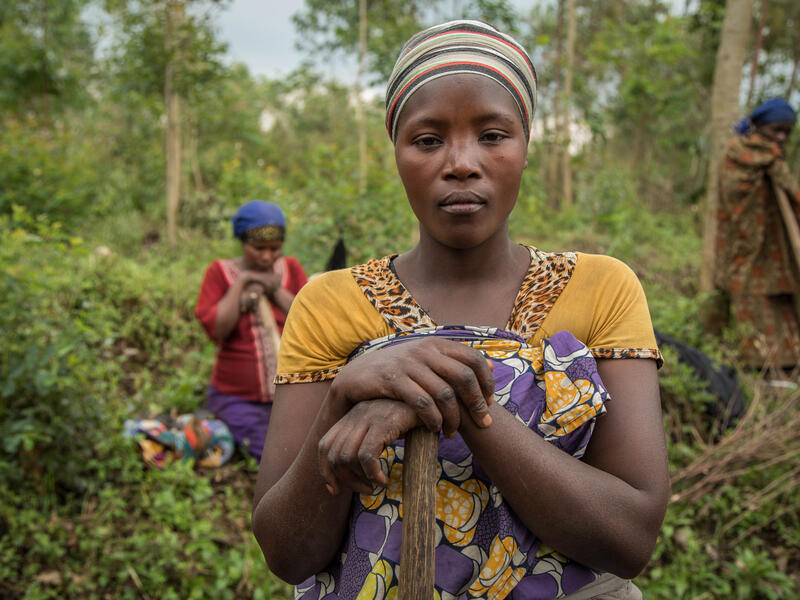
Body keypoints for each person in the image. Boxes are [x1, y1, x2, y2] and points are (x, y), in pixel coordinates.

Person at [252, 21, 668, 600]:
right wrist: (342, 402)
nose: (462, 163)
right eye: (428, 140)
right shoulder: (329, 302)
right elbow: (286, 553)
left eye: (493, 135)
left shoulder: (603, 288)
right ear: (398, 156)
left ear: (525, 149)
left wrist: (459, 404)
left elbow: (630, 537)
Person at [195, 200, 307, 461]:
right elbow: (218, 330)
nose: (267, 256)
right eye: (258, 249)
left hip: (291, 395)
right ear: (242, 243)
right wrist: (243, 282)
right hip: (237, 398)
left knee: (300, 447)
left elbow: (309, 319)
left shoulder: (290, 269)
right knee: (270, 454)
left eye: (274, 248)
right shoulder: (220, 273)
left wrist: (273, 290)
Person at [713, 98, 800, 369]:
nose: (782, 137)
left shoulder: (774, 159)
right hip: (745, 244)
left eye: (787, 131)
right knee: (750, 297)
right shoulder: (738, 153)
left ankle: (788, 361)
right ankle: (756, 363)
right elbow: (732, 196)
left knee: (781, 299)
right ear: (760, 126)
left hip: (776, 248)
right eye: (776, 130)